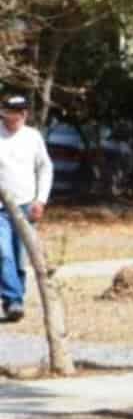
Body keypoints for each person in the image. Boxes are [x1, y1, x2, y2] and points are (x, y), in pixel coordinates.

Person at [0, 93, 52, 323]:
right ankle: (12, 298)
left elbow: (45, 168)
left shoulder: (33, 137)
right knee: (3, 253)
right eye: (7, 115)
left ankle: (15, 299)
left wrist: (40, 200)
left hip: (25, 205)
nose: (11, 121)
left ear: (24, 115)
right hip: (1, 206)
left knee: (20, 257)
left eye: (16, 116)